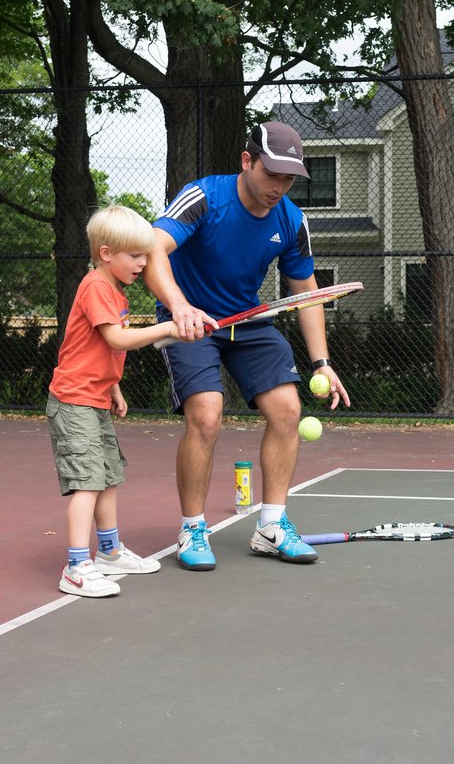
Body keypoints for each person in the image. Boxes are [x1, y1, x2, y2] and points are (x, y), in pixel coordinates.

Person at [146, 121, 351, 571]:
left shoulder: (292, 220)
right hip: (191, 320)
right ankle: (193, 527)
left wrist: (322, 362)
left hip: (248, 320)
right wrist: (179, 307)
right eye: (271, 173)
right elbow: (152, 250)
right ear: (246, 160)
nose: (279, 186)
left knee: (288, 410)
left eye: (288, 178)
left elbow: (307, 292)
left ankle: (271, 526)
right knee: (206, 412)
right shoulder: (204, 198)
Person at [48, 205, 192, 597]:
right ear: (107, 253)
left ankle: (109, 552)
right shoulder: (96, 286)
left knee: (108, 477)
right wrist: (167, 327)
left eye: (146, 256)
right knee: (87, 483)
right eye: (135, 256)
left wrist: (113, 386)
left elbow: (94, 349)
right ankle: (77, 566)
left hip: (94, 399)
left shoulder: (115, 291)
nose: (144, 264)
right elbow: (116, 339)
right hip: (74, 403)